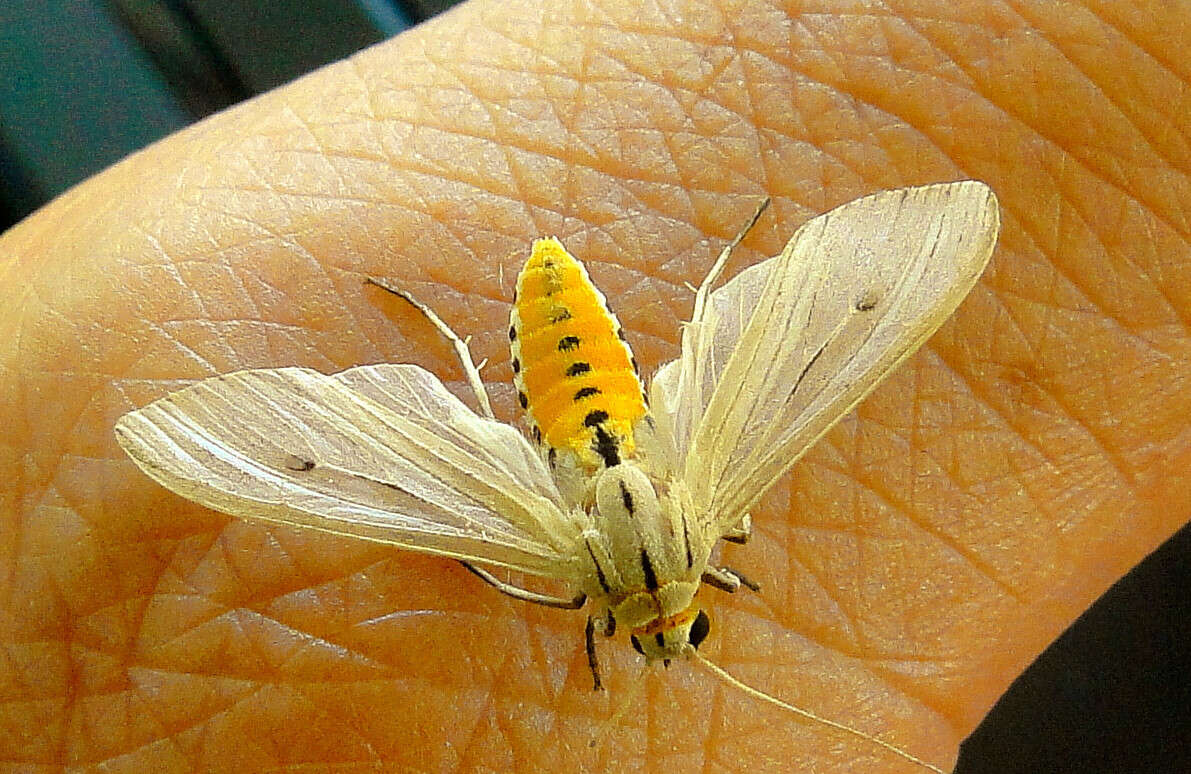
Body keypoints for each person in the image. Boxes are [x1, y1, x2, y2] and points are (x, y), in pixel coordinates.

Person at [0, 1, 1186, 771]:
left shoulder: (686, 517)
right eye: (684, 621)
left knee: (419, 442)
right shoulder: (628, 545)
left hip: (581, 405)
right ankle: (686, 283)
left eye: (657, 626)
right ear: (685, 590)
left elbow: (475, 561)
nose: (665, 629)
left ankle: (521, 333)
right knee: (739, 361)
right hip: (580, 402)